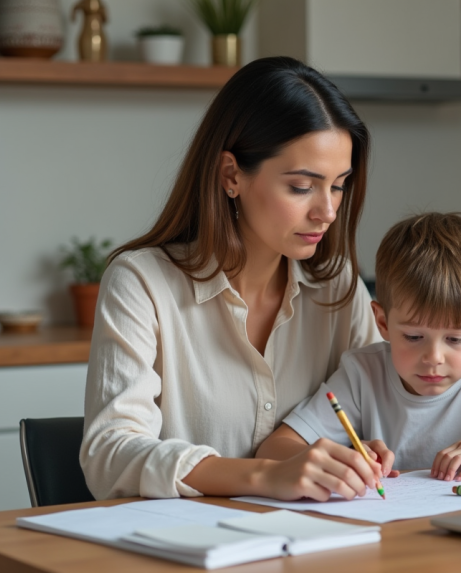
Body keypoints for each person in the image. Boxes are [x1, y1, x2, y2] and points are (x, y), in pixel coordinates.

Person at [80, 57, 390, 503]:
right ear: (231, 176)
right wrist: (266, 476)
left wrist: (368, 447)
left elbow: (371, 406)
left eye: (339, 185)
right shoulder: (141, 282)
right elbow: (109, 456)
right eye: (302, 186)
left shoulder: (338, 287)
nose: (328, 211)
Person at [257, 212, 461, 484]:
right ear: (383, 323)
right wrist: (338, 458)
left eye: (456, 339)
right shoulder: (363, 374)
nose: (434, 358)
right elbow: (274, 449)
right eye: (414, 337)